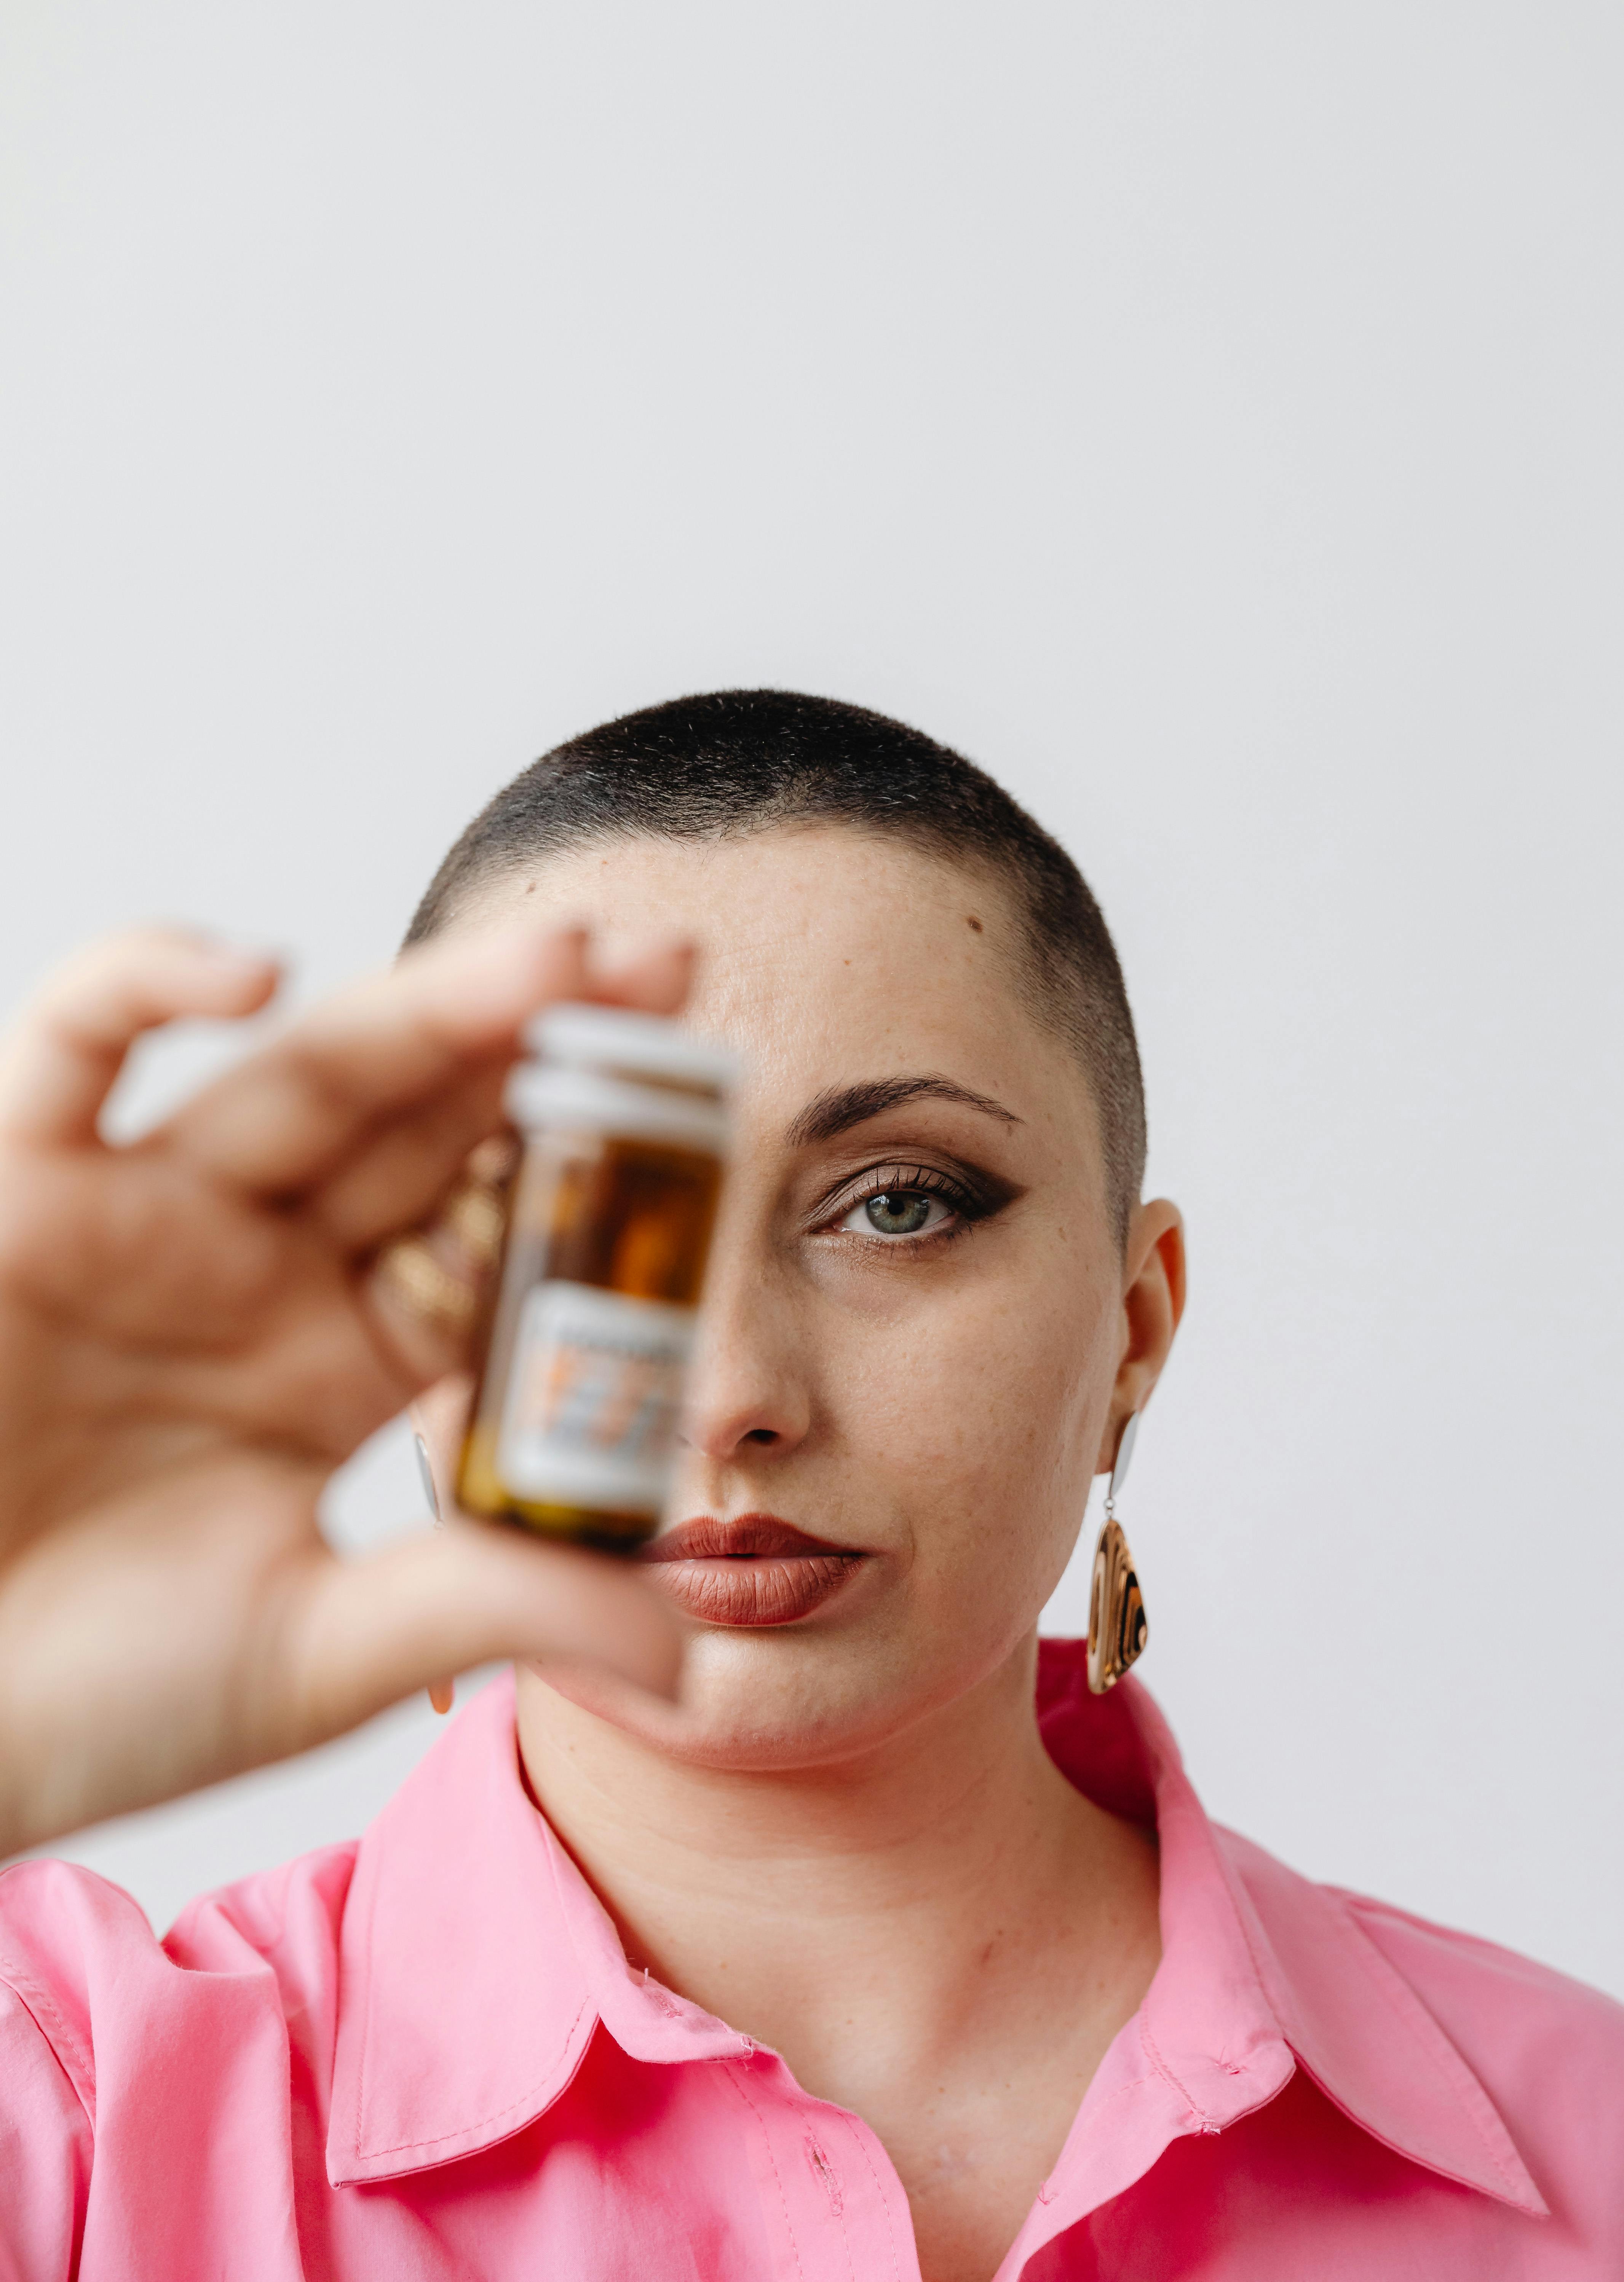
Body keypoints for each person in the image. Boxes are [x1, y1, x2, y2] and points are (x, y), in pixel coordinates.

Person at [0, 690, 1618, 2281]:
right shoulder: (67, 2123)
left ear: (1132, 1327)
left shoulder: (1587, 2149)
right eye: (593, 1225)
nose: (729, 1398)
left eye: (898, 1206)